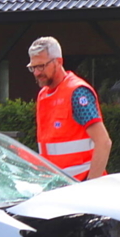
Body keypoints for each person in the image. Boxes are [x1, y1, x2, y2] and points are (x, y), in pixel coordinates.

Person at [28, 36, 112, 181]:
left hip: (80, 184)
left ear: (58, 62)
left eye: (41, 66)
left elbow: (103, 142)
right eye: (33, 67)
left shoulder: (77, 92)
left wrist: (90, 186)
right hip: (58, 185)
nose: (36, 72)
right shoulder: (43, 95)